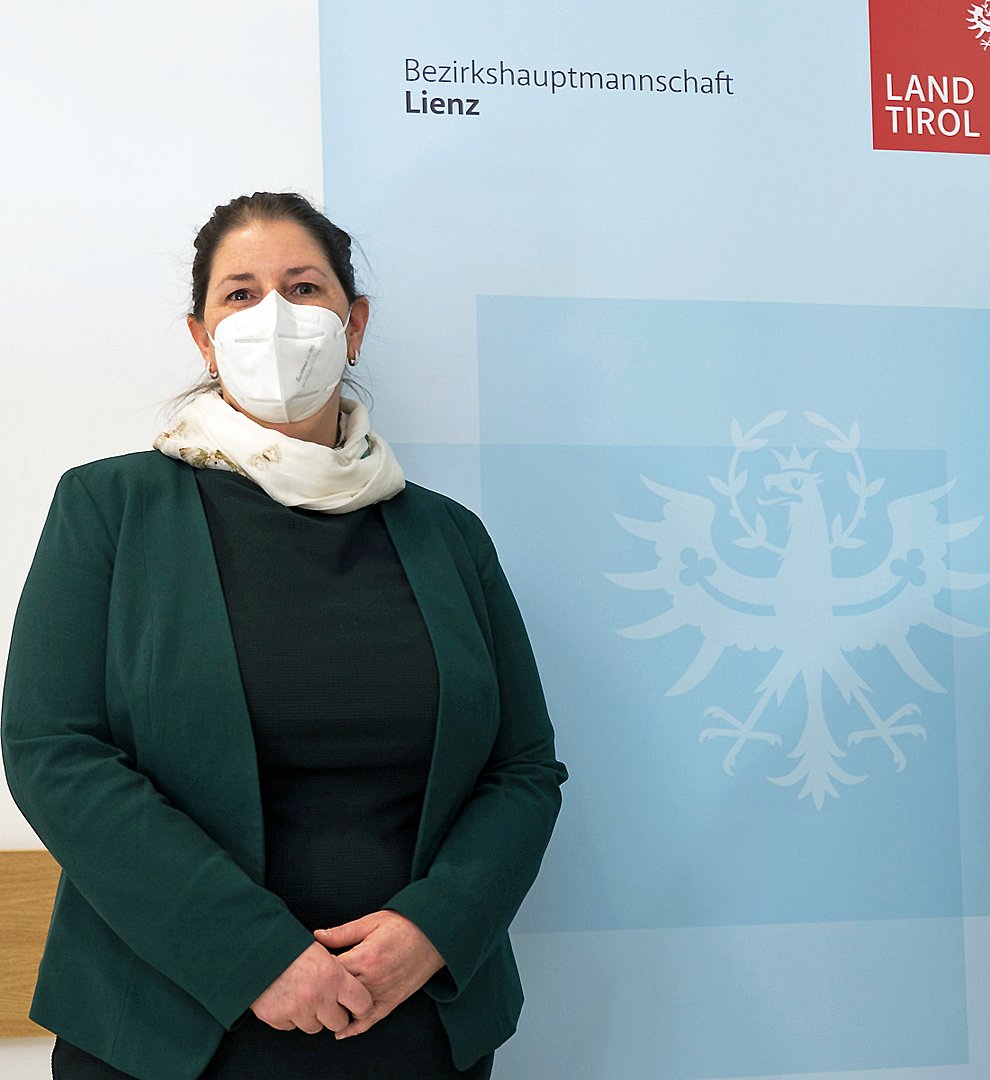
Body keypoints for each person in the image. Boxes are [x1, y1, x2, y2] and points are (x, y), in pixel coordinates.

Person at [1, 192, 567, 1080]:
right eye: (240, 293)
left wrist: (435, 928)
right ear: (202, 337)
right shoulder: (110, 507)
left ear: (354, 323)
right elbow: (52, 750)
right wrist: (253, 955)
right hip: (169, 1030)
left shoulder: (448, 537)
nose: (274, 316)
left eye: (304, 288)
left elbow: (523, 767)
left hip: (415, 1023)